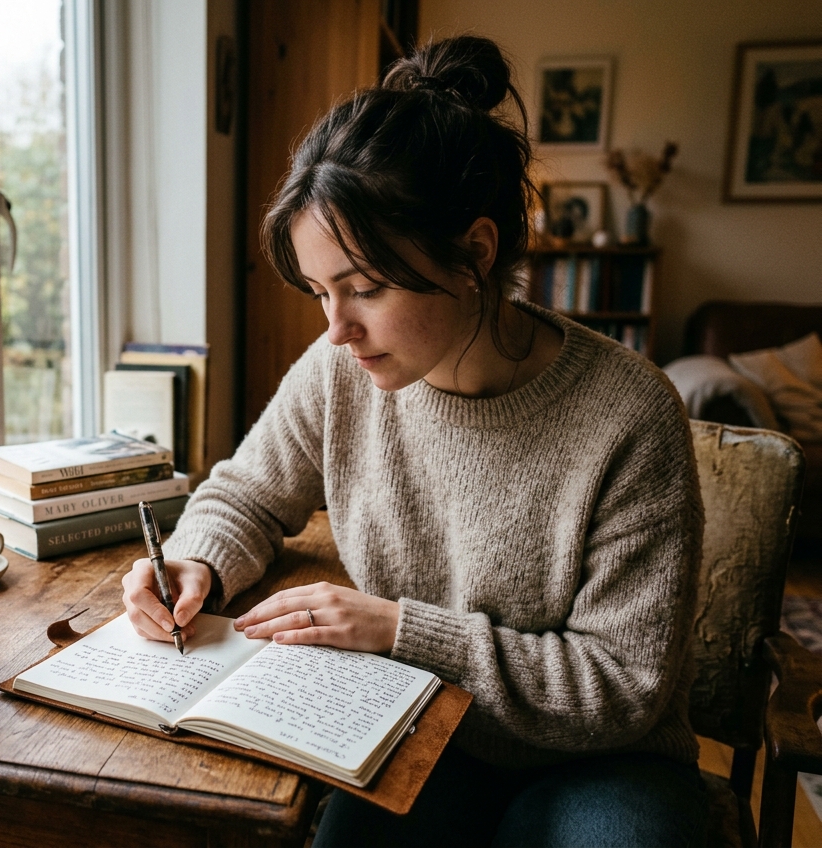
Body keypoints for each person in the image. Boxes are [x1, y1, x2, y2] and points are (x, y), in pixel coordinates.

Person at [121, 35, 707, 848]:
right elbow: (247, 491)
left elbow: (622, 685)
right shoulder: (343, 373)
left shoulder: (630, 414)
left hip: (607, 761)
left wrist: (401, 630)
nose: (337, 329)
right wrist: (199, 560)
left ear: (474, 253)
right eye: (322, 292)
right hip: (418, 727)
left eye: (365, 288)